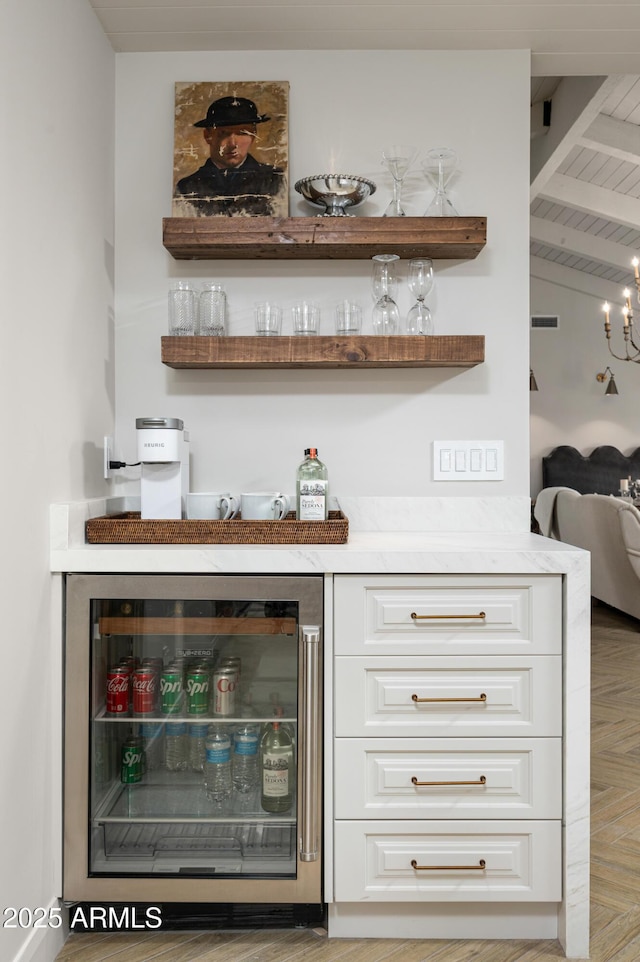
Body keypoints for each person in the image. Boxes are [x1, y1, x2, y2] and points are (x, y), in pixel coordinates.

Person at [174, 96, 286, 217]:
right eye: (224, 133)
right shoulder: (186, 188)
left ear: (253, 135)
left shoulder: (275, 180)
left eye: (242, 133)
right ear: (208, 136)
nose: (233, 144)